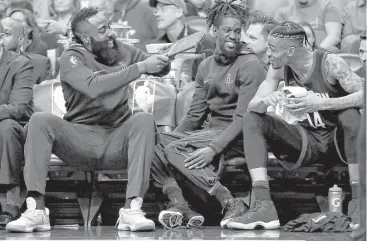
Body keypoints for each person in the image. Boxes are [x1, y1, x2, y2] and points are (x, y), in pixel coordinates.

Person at [6, 6, 172, 233]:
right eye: (103, 30)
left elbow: (157, 69)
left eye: (109, 26)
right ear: (85, 37)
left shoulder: (122, 49)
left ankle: (131, 209)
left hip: (117, 138)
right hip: (79, 141)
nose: (111, 34)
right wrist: (140, 67)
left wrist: (165, 60)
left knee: (143, 120)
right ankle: (36, 210)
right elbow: (93, 87)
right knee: (40, 120)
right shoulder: (71, 57)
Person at [226, 21, 363, 230]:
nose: (268, 54)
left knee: (351, 115)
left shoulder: (330, 63)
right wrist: (266, 100)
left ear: (290, 51)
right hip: (306, 140)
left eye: (273, 49)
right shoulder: (278, 68)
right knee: (252, 118)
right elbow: (253, 106)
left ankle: (359, 200)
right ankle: (264, 206)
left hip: (338, 141)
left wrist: (323, 103)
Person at [151, 0, 266, 230]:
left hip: (240, 137)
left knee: (174, 149)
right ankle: (180, 205)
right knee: (153, 141)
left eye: (237, 31)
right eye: (227, 30)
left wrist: (212, 148)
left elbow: (243, 119)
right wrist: (166, 142)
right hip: (209, 133)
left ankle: (229, 200)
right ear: (214, 31)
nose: (233, 36)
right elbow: (194, 116)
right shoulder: (205, 66)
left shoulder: (251, 65)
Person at [0, 21, 34, 227]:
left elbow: (17, 108)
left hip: (13, 125)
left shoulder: (20, 64)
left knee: (6, 128)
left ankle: (8, 202)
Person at [274, 0, 343, 52]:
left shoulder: (327, 7)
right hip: (293, 56)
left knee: (333, 50)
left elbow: (334, 36)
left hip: (321, 53)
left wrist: (315, 53)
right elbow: (276, 40)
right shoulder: (283, 13)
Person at [1, 17, 51, 84]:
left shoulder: (40, 64)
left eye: (6, 34)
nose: (1, 39)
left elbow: (46, 92)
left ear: (21, 39)